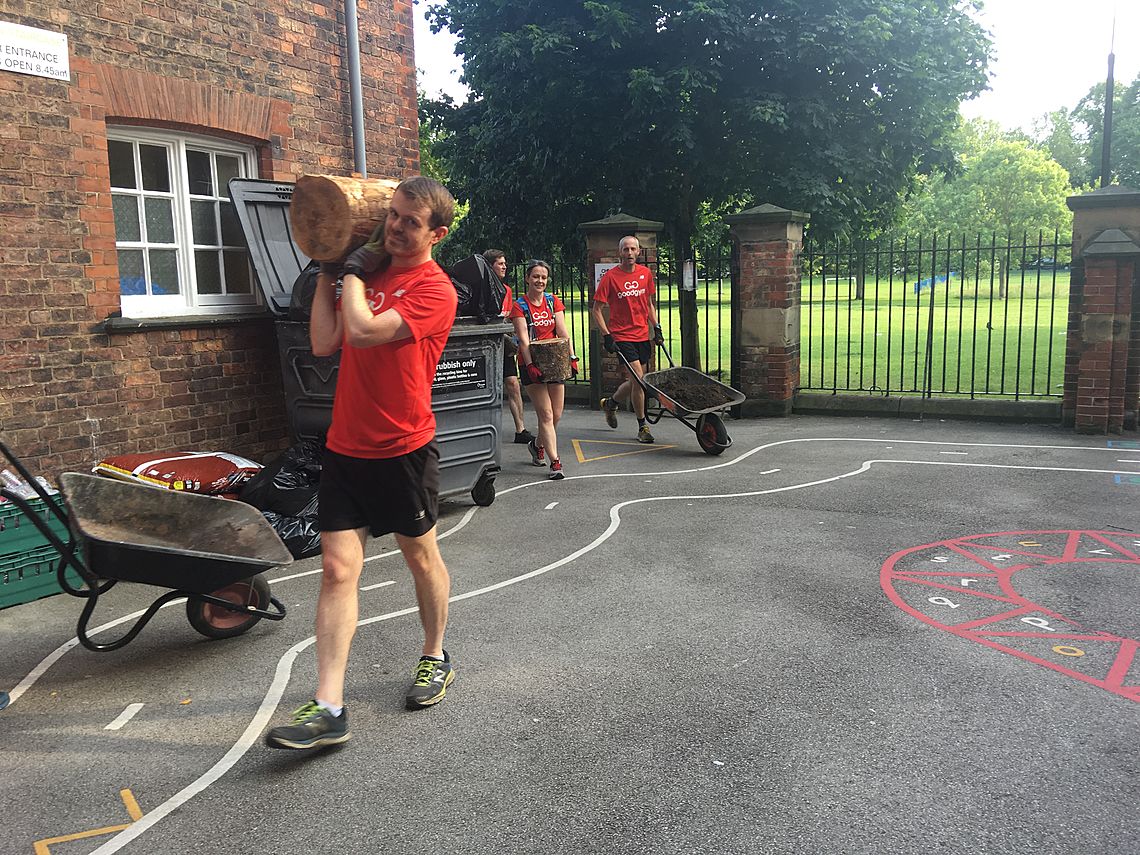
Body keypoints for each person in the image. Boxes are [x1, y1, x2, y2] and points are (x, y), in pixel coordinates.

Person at [265, 176, 459, 751]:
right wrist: (330, 267)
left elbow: (364, 331)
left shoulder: (435, 289)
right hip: (347, 446)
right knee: (336, 570)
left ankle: (435, 654)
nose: (395, 227)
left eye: (410, 222)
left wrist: (350, 272)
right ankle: (329, 707)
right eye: (392, 214)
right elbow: (325, 342)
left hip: (403, 449)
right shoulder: (364, 274)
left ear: (436, 234)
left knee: (420, 557)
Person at [590, 235, 664, 443]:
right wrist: (607, 335)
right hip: (622, 336)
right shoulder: (610, 277)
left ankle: (611, 403)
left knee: (636, 381)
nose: (629, 253)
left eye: (633, 249)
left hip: (642, 334)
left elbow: (648, 303)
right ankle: (642, 427)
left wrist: (656, 327)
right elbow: (596, 309)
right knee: (639, 380)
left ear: (638, 252)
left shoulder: (645, 273)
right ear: (619, 252)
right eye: (626, 249)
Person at [511, 259, 578, 481]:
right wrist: (530, 365)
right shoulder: (519, 306)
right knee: (546, 414)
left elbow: (563, 331)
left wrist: (572, 357)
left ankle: (537, 444)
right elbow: (523, 339)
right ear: (527, 279)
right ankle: (555, 462)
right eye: (535, 276)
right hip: (532, 364)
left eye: (543, 277)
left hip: (555, 362)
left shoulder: (552, 302)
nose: (540, 281)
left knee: (556, 415)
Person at [483, 249, 534, 446]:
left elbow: (508, 317)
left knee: (513, 383)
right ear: (490, 266)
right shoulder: (481, 290)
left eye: (505, 263)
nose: (505, 267)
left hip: (503, 343)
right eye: (500, 263)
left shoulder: (507, 290)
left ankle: (520, 429)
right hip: (485, 345)